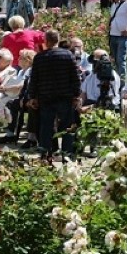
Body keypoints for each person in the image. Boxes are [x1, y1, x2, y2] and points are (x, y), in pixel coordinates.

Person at [27, 29, 81, 160]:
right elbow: (75, 78)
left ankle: (46, 154)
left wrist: (32, 97)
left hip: (46, 97)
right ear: (58, 39)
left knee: (46, 127)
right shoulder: (68, 55)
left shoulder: (40, 57)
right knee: (67, 127)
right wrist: (76, 95)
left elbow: (34, 79)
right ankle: (67, 155)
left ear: (46, 41)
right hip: (65, 96)